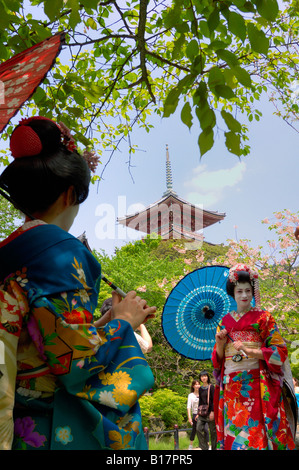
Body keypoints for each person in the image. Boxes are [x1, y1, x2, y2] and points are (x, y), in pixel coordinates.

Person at [0, 116, 156, 450]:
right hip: (41, 425)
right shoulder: (63, 253)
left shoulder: (8, 251)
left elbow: (44, 333)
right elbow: (76, 364)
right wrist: (126, 322)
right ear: (71, 193)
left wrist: (105, 322)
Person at [212, 263, 296, 450]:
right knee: (234, 433)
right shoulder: (224, 322)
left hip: (257, 384)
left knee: (257, 433)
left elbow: (279, 355)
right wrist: (219, 345)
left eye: (248, 291)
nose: (244, 295)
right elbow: (218, 363)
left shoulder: (264, 318)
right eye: (239, 291)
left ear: (253, 292)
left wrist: (252, 352)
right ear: (233, 293)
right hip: (231, 388)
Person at [195, 371, 217, 450]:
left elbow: (214, 400)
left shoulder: (211, 387)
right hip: (202, 413)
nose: (203, 378)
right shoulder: (200, 389)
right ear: (200, 378)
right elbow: (200, 401)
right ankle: (205, 448)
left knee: (213, 432)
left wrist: (212, 412)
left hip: (210, 412)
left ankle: (214, 448)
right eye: (202, 376)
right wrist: (198, 413)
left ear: (207, 377)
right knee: (198, 429)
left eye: (205, 376)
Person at [187, 379, 200, 450]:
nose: (197, 386)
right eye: (196, 384)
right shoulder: (190, 395)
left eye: (198, 384)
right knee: (194, 430)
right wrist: (189, 417)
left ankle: (206, 444)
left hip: (202, 414)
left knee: (205, 429)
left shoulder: (202, 393)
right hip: (195, 414)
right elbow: (189, 406)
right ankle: (191, 445)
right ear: (193, 386)